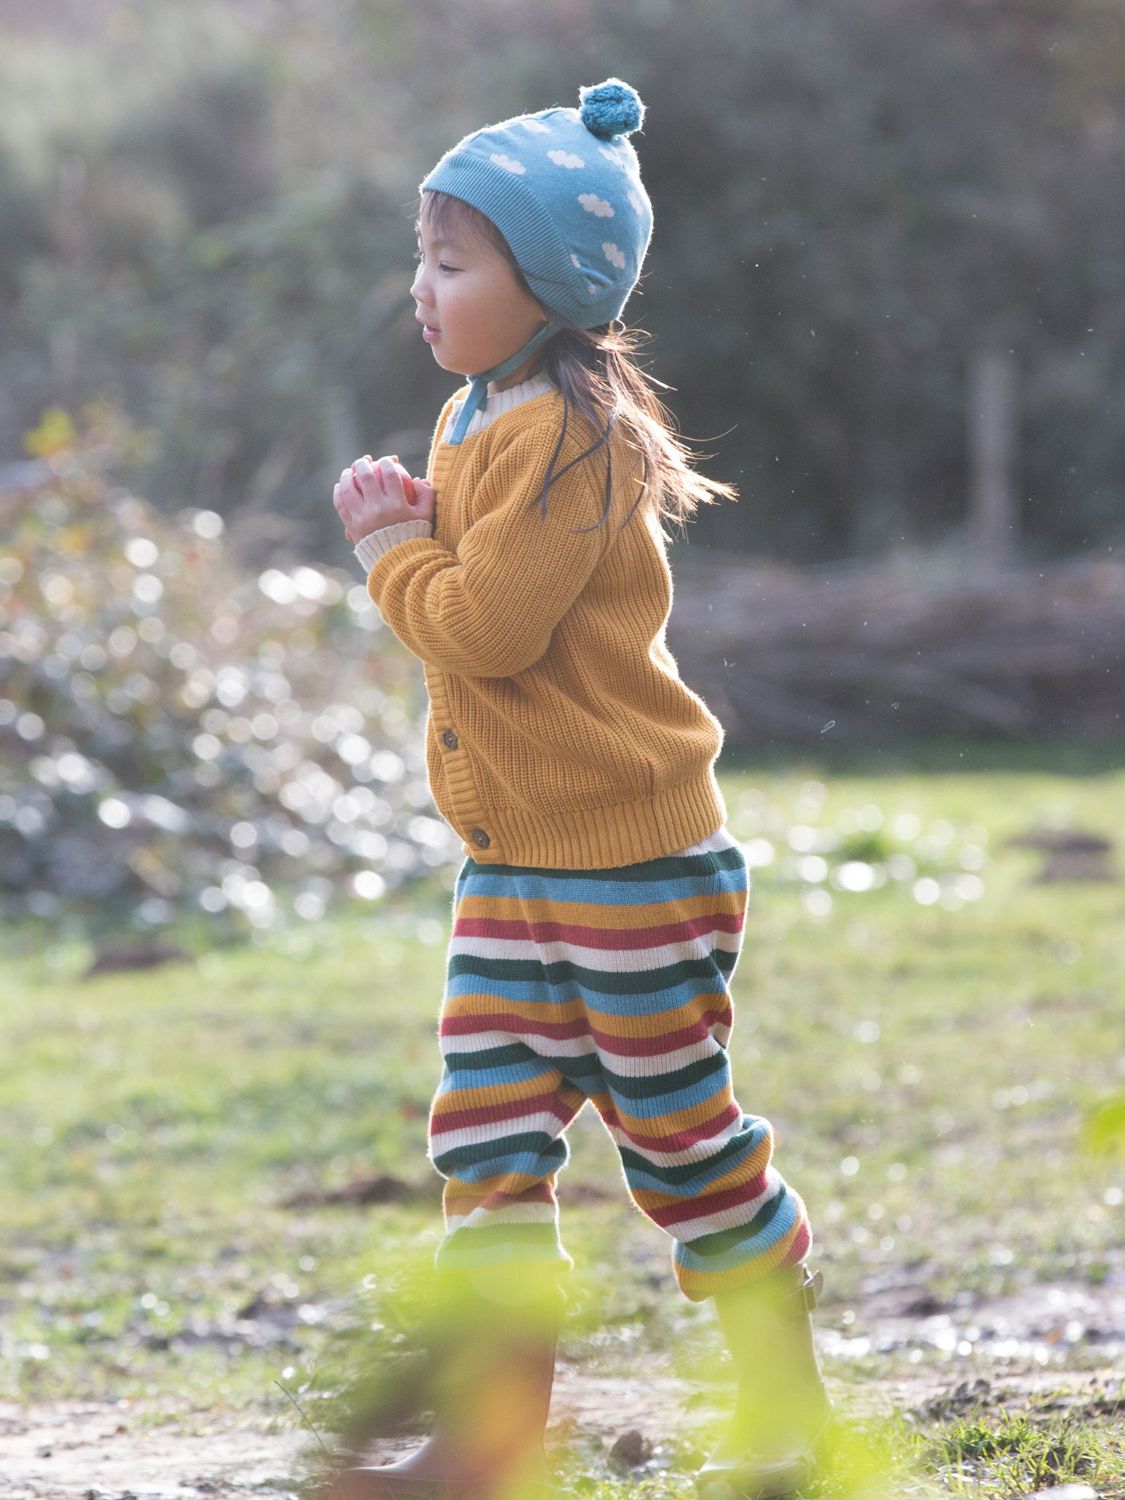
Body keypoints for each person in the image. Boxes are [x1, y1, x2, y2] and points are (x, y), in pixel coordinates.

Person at [326, 78, 830, 1500]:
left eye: (451, 260)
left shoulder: (571, 437)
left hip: (630, 870)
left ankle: (781, 1395)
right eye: (421, 254)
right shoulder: (477, 416)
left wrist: (388, 554)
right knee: (484, 1139)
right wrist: (422, 527)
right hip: (512, 867)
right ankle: (496, 1432)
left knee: (676, 1141)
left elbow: (484, 632)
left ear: (547, 283)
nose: (420, 288)